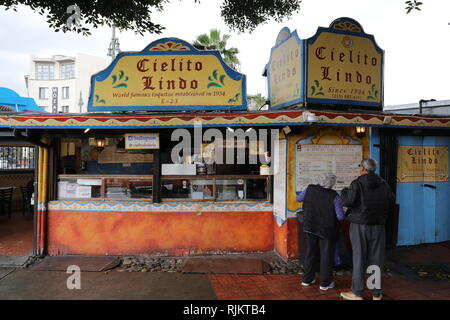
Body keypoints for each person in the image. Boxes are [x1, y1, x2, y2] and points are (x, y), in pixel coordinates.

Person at [339, 158, 395, 301]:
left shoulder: (357, 183)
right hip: (378, 226)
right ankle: (376, 293)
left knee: (359, 258)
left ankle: (357, 293)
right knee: (376, 258)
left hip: (360, 225)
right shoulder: (383, 184)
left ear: (363, 169)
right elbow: (391, 200)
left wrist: (344, 192)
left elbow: (348, 201)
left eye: (360, 167)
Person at [296, 171, 345, 291]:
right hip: (327, 230)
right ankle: (325, 283)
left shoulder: (309, 189)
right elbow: (340, 217)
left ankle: (307, 280)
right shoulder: (334, 196)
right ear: (332, 184)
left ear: (319, 180)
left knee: (311, 253)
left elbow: (298, 199)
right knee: (326, 255)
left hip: (310, 227)